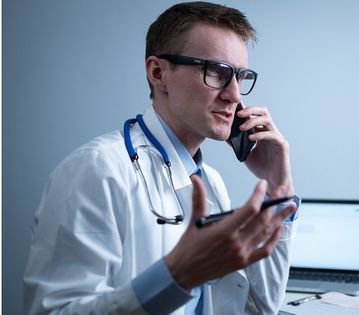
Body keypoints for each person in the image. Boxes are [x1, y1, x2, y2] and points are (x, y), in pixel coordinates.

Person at [24, 2, 299, 314]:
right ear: (158, 73)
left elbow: (261, 308)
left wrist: (278, 188)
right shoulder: (97, 171)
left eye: (240, 76)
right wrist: (176, 277)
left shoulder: (212, 183)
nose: (235, 95)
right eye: (217, 72)